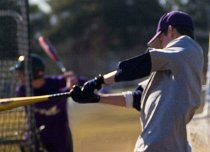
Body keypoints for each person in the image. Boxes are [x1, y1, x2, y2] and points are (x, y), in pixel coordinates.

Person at [70, 11, 204, 152]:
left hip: (158, 147)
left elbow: (140, 65)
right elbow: (136, 98)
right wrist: (96, 98)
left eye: (161, 39)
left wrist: (98, 81)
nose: (162, 45)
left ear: (170, 31)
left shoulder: (187, 47)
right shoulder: (176, 70)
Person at [11, 54, 84, 152]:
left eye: (22, 72)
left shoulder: (55, 82)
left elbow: (86, 83)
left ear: (34, 73)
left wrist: (75, 80)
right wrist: (67, 89)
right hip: (36, 137)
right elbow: (44, 103)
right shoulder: (23, 90)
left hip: (60, 137)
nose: (19, 76)